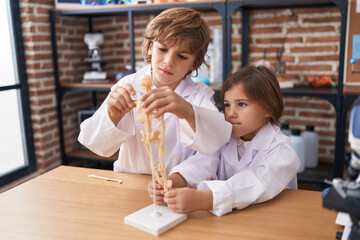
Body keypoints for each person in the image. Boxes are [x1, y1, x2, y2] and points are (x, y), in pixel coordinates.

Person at [78, 7, 232, 174]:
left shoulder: (200, 94)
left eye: (182, 56)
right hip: (132, 181)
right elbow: (92, 142)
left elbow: (216, 142)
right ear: (151, 47)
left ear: (194, 63)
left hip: (177, 189)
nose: (168, 61)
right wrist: (112, 116)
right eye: (163, 49)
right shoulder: (128, 85)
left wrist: (187, 110)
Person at [148, 65, 300, 216]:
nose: (231, 113)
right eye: (227, 105)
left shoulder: (282, 151)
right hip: (233, 220)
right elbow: (203, 161)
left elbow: (257, 183)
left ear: (269, 108)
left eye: (241, 104)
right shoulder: (225, 136)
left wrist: (205, 199)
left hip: (270, 219)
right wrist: (173, 180)